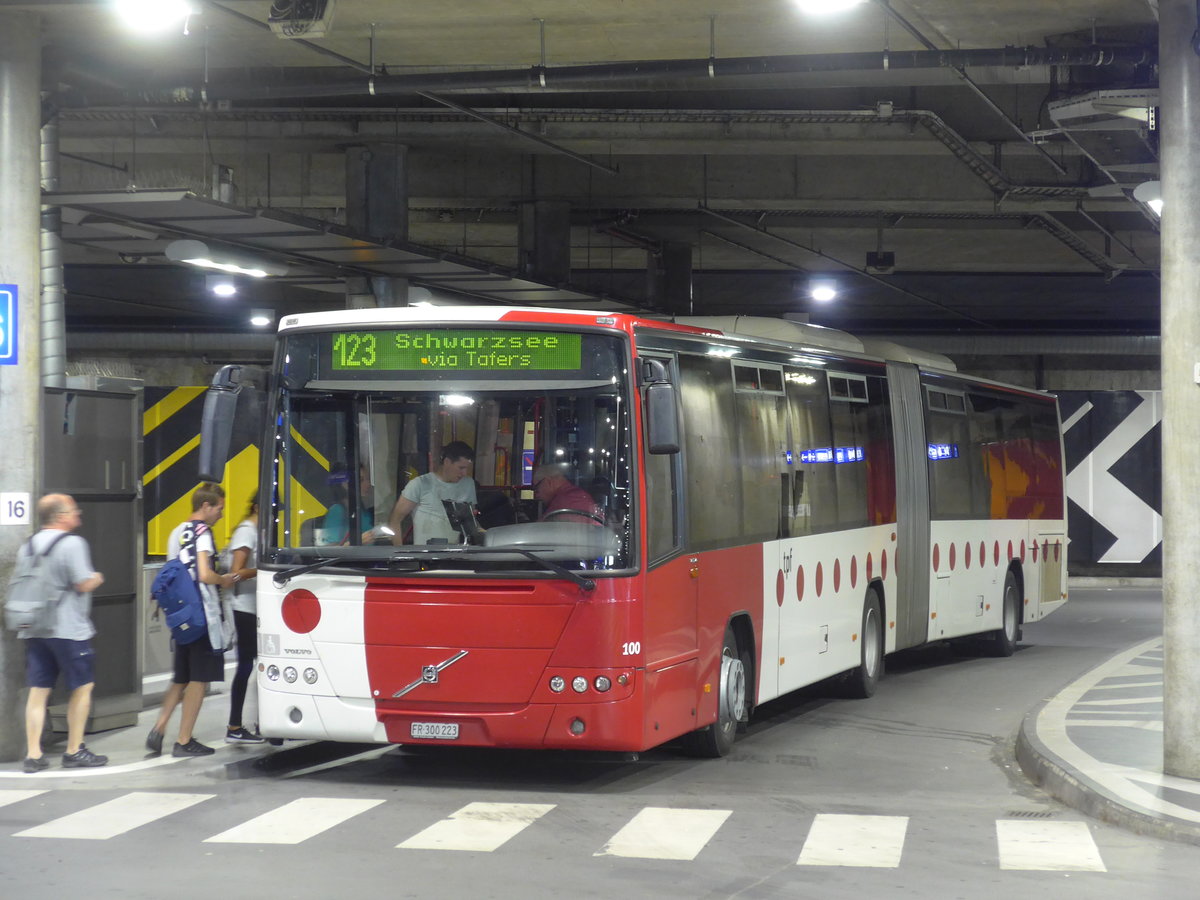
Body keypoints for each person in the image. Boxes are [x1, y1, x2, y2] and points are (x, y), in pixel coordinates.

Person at [146, 482, 236, 758]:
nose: (221, 514)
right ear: (205, 506)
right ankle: (184, 740)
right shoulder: (203, 533)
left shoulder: (176, 532)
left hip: (181, 616)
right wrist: (225, 580)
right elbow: (205, 574)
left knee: (180, 678)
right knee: (199, 679)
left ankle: (159, 728)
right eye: (219, 508)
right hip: (203, 616)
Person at [20, 494, 107, 772]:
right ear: (60, 516)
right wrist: (97, 578)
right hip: (69, 628)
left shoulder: (28, 545)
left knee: (39, 691)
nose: (78, 514)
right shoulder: (72, 543)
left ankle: (33, 755)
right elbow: (82, 583)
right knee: (82, 687)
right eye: (73, 510)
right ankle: (74, 750)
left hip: (35, 628)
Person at [223, 496, 264, 744]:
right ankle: (235, 726)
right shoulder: (247, 532)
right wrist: (267, 568)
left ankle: (258, 723)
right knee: (246, 665)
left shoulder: (255, 531)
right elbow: (236, 572)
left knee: (256, 666)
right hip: (243, 608)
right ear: (257, 507)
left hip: (253, 608)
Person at [388, 441, 477, 545]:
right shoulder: (419, 484)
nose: (464, 473)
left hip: (454, 554)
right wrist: (399, 553)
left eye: (467, 468)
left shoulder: (468, 484)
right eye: (461, 468)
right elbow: (395, 519)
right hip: (425, 556)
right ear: (447, 462)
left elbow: (470, 523)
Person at [320, 463, 375, 545]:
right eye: (361, 480)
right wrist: (359, 542)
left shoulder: (362, 511)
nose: (367, 484)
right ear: (345, 484)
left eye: (367, 479)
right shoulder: (337, 511)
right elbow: (330, 551)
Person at [532, 463, 602, 524]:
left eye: (537, 489)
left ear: (548, 482)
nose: (536, 495)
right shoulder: (571, 496)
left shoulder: (569, 500)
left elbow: (543, 530)